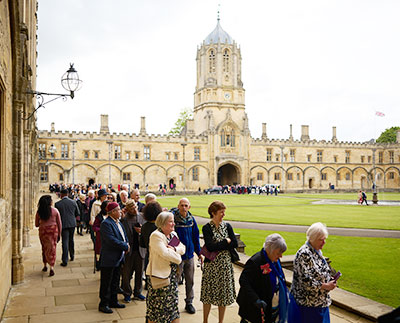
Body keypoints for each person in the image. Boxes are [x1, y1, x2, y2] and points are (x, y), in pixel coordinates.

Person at [288, 222, 337, 323]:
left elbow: (321, 272)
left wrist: (330, 279)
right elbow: (307, 283)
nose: (324, 242)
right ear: (312, 239)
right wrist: (326, 286)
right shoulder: (304, 254)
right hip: (308, 306)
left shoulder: (316, 251)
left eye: (325, 239)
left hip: (320, 303)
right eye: (321, 240)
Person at [237, 233, 289, 323]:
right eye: (279, 252)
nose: (281, 256)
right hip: (253, 309)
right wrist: (256, 299)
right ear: (270, 250)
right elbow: (244, 281)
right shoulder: (255, 261)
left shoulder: (275, 260)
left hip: (270, 308)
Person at [201, 201, 238, 323]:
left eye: (224, 211)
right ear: (213, 213)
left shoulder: (227, 226)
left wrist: (222, 243)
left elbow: (235, 243)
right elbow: (210, 247)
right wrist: (225, 242)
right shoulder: (207, 228)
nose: (223, 214)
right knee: (208, 295)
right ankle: (205, 320)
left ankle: (220, 321)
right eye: (221, 212)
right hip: (211, 266)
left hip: (225, 265)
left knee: (223, 296)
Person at [146, 212, 185, 323]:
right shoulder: (156, 236)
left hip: (172, 278)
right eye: (171, 221)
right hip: (159, 277)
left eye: (173, 221)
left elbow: (183, 248)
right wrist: (177, 257)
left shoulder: (173, 235)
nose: (174, 223)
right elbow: (165, 253)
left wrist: (174, 249)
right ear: (162, 223)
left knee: (173, 309)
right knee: (157, 311)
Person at [171, 198, 202, 314]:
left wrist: (199, 253)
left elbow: (195, 238)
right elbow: (170, 236)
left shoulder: (191, 220)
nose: (184, 208)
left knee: (190, 281)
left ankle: (189, 302)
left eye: (186, 206)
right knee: (175, 280)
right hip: (177, 256)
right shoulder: (173, 220)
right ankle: (173, 304)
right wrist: (176, 249)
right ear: (178, 206)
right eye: (182, 205)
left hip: (189, 256)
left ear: (189, 207)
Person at [98, 202, 130, 314]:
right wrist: (125, 246)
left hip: (118, 256)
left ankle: (113, 301)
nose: (120, 211)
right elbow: (110, 240)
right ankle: (103, 304)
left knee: (115, 281)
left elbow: (123, 235)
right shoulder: (106, 223)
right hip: (109, 257)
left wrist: (126, 244)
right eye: (118, 210)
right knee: (106, 282)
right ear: (112, 212)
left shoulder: (118, 222)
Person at [120, 199, 146, 302]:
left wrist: (141, 231)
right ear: (127, 209)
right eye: (132, 208)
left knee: (139, 273)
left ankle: (138, 292)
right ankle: (127, 293)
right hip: (129, 251)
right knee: (126, 274)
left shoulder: (142, 216)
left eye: (135, 207)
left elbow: (148, 231)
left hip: (140, 249)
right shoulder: (124, 219)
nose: (134, 209)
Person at [35, 195, 62, 277]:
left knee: (44, 248)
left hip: (43, 232)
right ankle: (52, 267)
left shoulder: (39, 212)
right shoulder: (55, 211)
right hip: (53, 232)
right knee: (52, 248)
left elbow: (36, 224)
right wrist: (59, 234)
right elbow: (59, 224)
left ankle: (45, 265)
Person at [55, 189, 80, 267]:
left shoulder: (57, 204)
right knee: (71, 240)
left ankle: (65, 260)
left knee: (65, 242)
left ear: (61, 195)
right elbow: (77, 213)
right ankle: (72, 256)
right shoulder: (73, 202)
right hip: (72, 224)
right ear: (68, 194)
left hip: (63, 224)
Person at [92, 200, 110, 271]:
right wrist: (101, 230)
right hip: (101, 239)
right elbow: (95, 227)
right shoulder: (99, 216)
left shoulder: (112, 215)